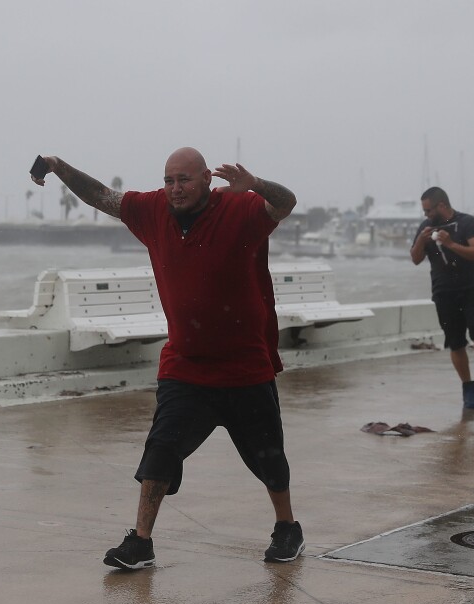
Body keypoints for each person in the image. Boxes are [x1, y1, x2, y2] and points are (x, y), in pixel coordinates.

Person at [30, 147, 305, 569]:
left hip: (244, 364)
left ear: (207, 180)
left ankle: (287, 527)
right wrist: (57, 166)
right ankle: (141, 541)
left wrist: (258, 184)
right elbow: (102, 196)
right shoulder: (151, 210)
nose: (175, 189)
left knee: (269, 455)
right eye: (169, 180)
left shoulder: (240, 207)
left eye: (185, 180)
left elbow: (285, 203)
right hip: (187, 364)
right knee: (161, 448)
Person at [410, 186, 474, 411]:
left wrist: (450, 244)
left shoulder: (468, 223)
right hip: (443, 292)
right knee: (455, 342)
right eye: (424, 211)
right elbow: (415, 259)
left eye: (429, 210)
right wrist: (421, 241)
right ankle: (468, 389)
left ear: (441, 206)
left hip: (472, 287)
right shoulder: (425, 227)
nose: (426, 215)